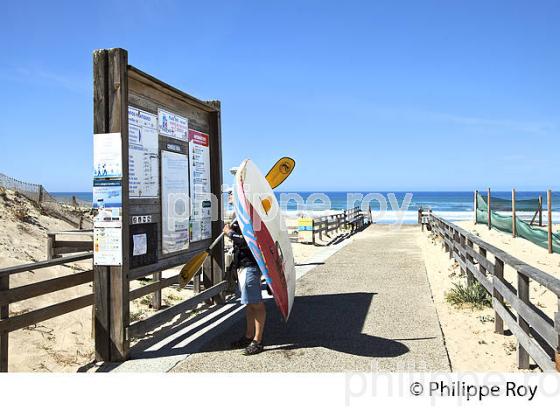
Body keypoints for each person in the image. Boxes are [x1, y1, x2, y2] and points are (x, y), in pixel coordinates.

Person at [223, 189, 266, 355]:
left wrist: (230, 233)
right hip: (241, 264)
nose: (229, 196)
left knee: (256, 303)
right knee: (248, 302)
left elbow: (251, 241)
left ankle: (258, 340)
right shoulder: (238, 214)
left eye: (231, 193)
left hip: (250, 264)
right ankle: (248, 336)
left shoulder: (250, 215)